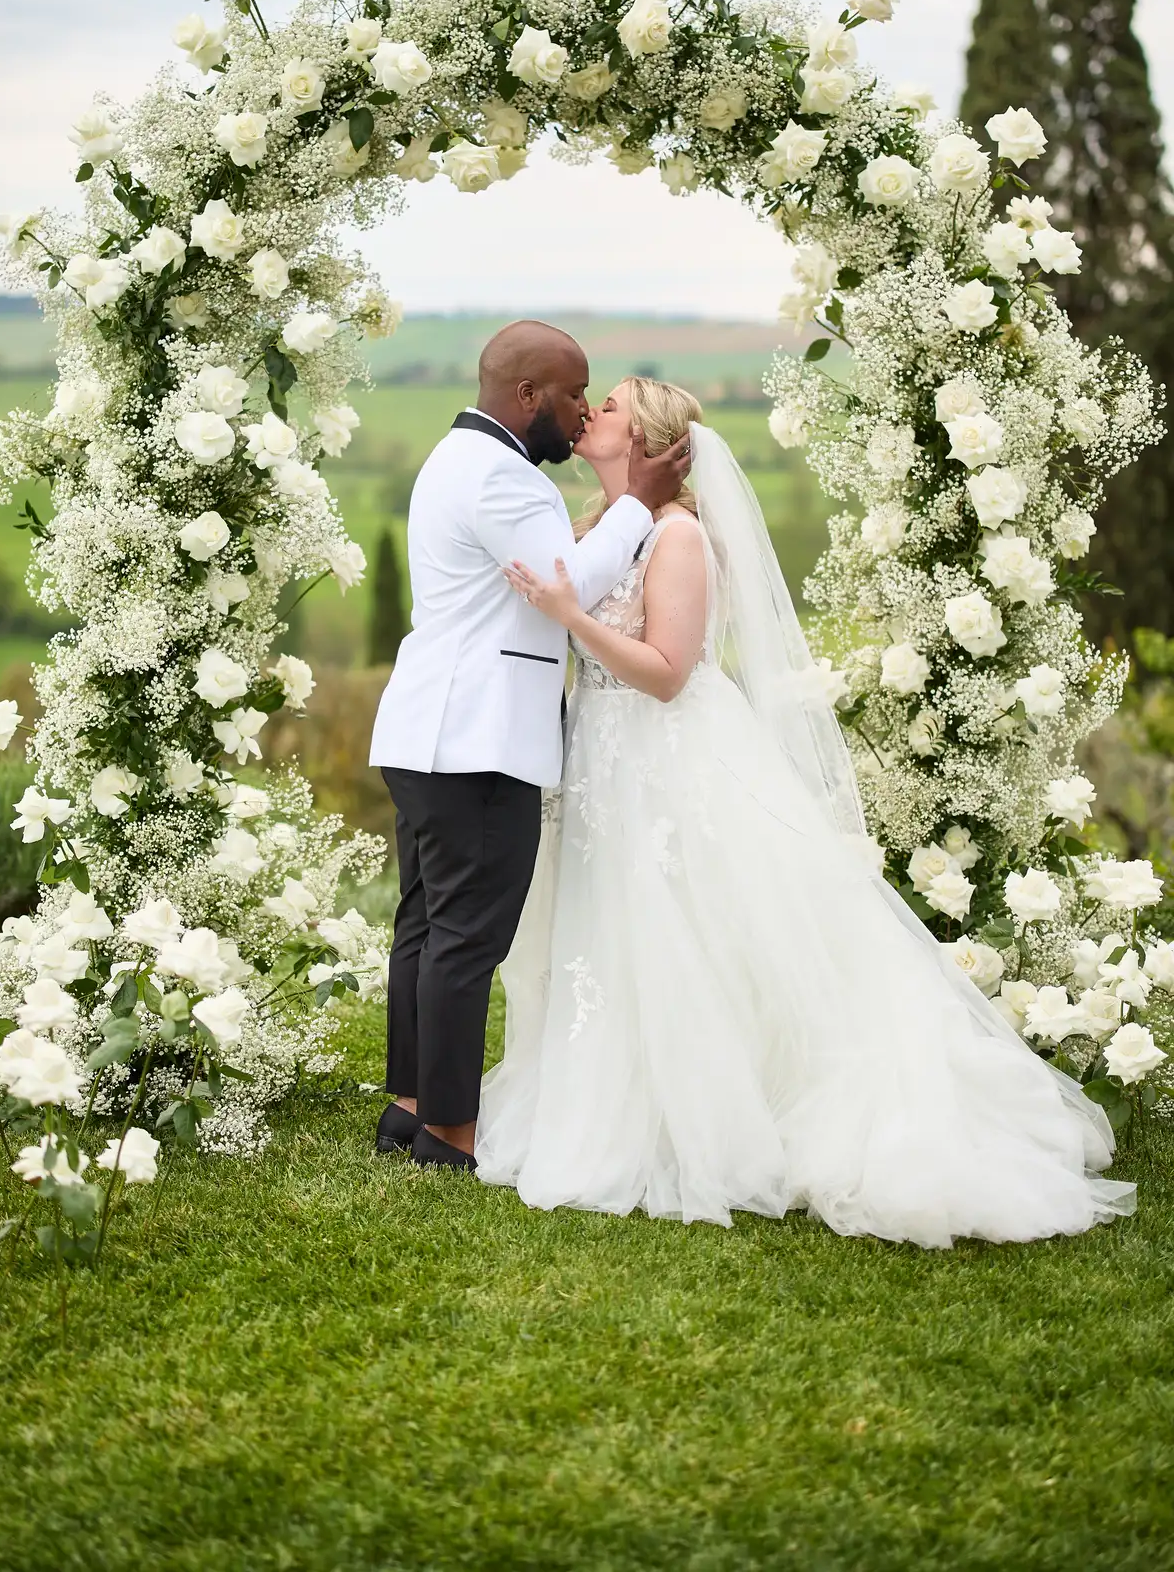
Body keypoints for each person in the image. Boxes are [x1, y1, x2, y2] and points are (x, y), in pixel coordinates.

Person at [475, 376, 1135, 1245]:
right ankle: (621, 1097)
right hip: (603, 760)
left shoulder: (677, 537)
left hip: (669, 759)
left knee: (696, 931)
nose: (592, 410)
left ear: (646, 440)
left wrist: (569, 617)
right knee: (622, 934)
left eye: (612, 406)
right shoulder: (600, 526)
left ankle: (728, 1116)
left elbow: (669, 672)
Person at [368, 324, 691, 1170]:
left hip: (435, 730)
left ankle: (408, 1110)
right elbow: (569, 590)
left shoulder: (461, 459)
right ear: (527, 397)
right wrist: (636, 503)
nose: (582, 411)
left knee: (429, 926)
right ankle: (447, 1134)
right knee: (465, 939)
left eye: (596, 399)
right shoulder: (504, 479)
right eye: (574, 394)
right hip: (477, 739)